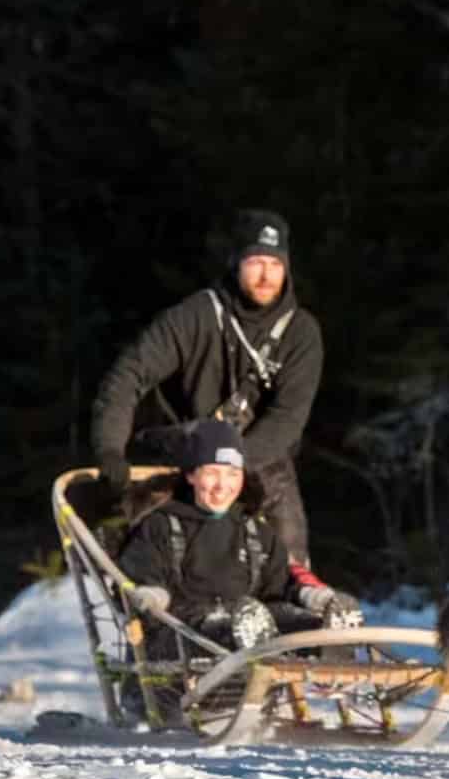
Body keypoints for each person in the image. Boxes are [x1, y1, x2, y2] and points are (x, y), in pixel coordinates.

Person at [91, 207, 324, 566]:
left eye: (275, 265)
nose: (266, 275)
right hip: (182, 451)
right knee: (161, 548)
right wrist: (110, 449)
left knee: (285, 538)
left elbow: (288, 417)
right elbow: (128, 376)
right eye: (256, 262)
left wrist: (231, 466)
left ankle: (299, 592)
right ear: (236, 263)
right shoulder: (196, 316)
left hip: (259, 458)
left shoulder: (301, 333)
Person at [115, 420, 360, 659]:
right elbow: (140, 576)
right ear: (191, 475)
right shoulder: (160, 525)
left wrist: (311, 596)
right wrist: (151, 596)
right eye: (212, 473)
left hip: (250, 623)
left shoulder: (254, 530)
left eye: (233, 474)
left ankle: (330, 641)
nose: (223, 485)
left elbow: (281, 584)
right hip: (181, 634)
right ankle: (249, 640)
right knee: (231, 628)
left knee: (296, 623)